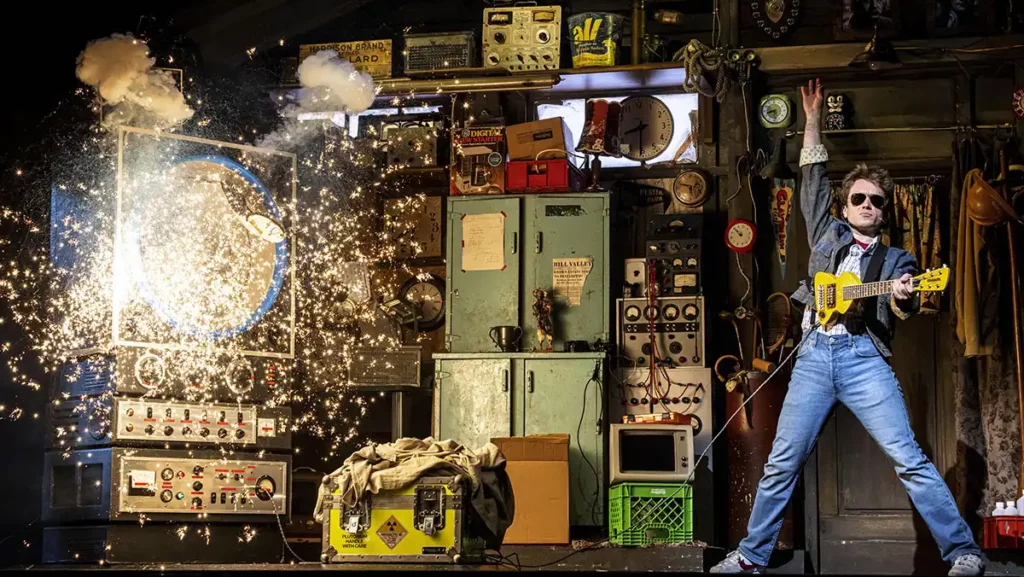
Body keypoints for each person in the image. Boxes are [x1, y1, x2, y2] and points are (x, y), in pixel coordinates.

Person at [710, 79, 984, 576]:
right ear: (845, 204)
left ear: (884, 210)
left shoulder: (897, 257)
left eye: (877, 201)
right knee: (781, 464)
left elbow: (900, 310)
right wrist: (811, 120)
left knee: (910, 459)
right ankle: (750, 557)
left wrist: (902, 296)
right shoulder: (826, 235)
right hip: (814, 358)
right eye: (859, 197)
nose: (867, 206)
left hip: (864, 361)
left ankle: (963, 552)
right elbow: (812, 182)